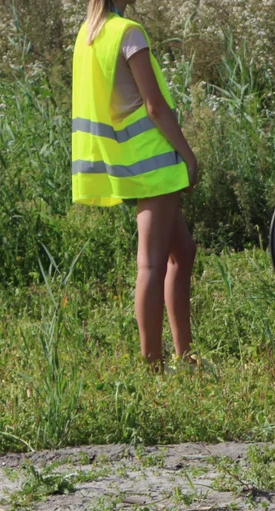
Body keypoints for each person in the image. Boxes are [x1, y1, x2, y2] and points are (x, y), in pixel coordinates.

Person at [71, 0, 198, 367]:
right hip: (153, 162)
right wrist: (188, 155)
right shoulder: (128, 32)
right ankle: (152, 366)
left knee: (182, 252)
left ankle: (185, 356)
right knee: (152, 264)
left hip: (126, 160)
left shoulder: (89, 33)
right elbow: (154, 105)